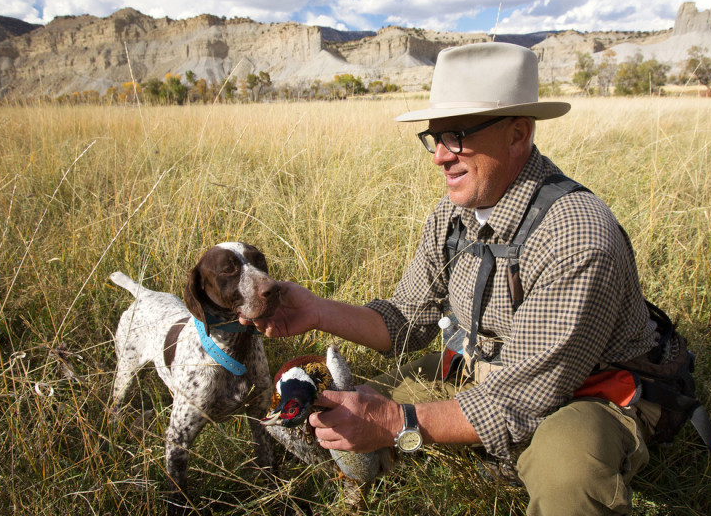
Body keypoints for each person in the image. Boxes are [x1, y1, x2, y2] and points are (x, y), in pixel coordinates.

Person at [242, 42, 659, 515]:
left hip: (587, 393)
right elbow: (404, 323)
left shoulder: (577, 236)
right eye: (434, 137)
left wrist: (393, 422)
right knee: (356, 400)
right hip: (485, 371)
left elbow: (519, 401)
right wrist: (317, 311)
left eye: (457, 135)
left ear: (518, 134)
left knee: (567, 473)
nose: (439, 156)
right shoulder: (452, 216)